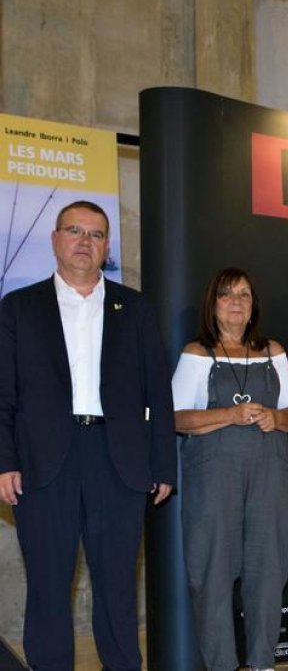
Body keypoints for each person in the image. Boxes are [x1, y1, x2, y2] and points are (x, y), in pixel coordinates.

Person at [0, 200, 175, 671]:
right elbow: (3, 393)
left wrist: (161, 465)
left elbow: (158, 393)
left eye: (96, 235)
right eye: (74, 231)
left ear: (107, 248)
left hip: (117, 462)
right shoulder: (18, 307)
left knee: (117, 585)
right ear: (55, 240)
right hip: (42, 463)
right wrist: (4, 460)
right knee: (49, 584)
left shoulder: (134, 308)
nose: (84, 241)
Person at [172, 268, 288, 671]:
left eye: (244, 295)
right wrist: (229, 414)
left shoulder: (273, 352)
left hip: (270, 476)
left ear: (253, 306)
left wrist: (275, 418)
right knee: (211, 573)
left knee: (267, 573)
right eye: (227, 295)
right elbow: (175, 418)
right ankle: (222, 665)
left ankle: (263, 662)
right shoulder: (197, 354)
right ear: (213, 304)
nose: (236, 302)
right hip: (214, 480)